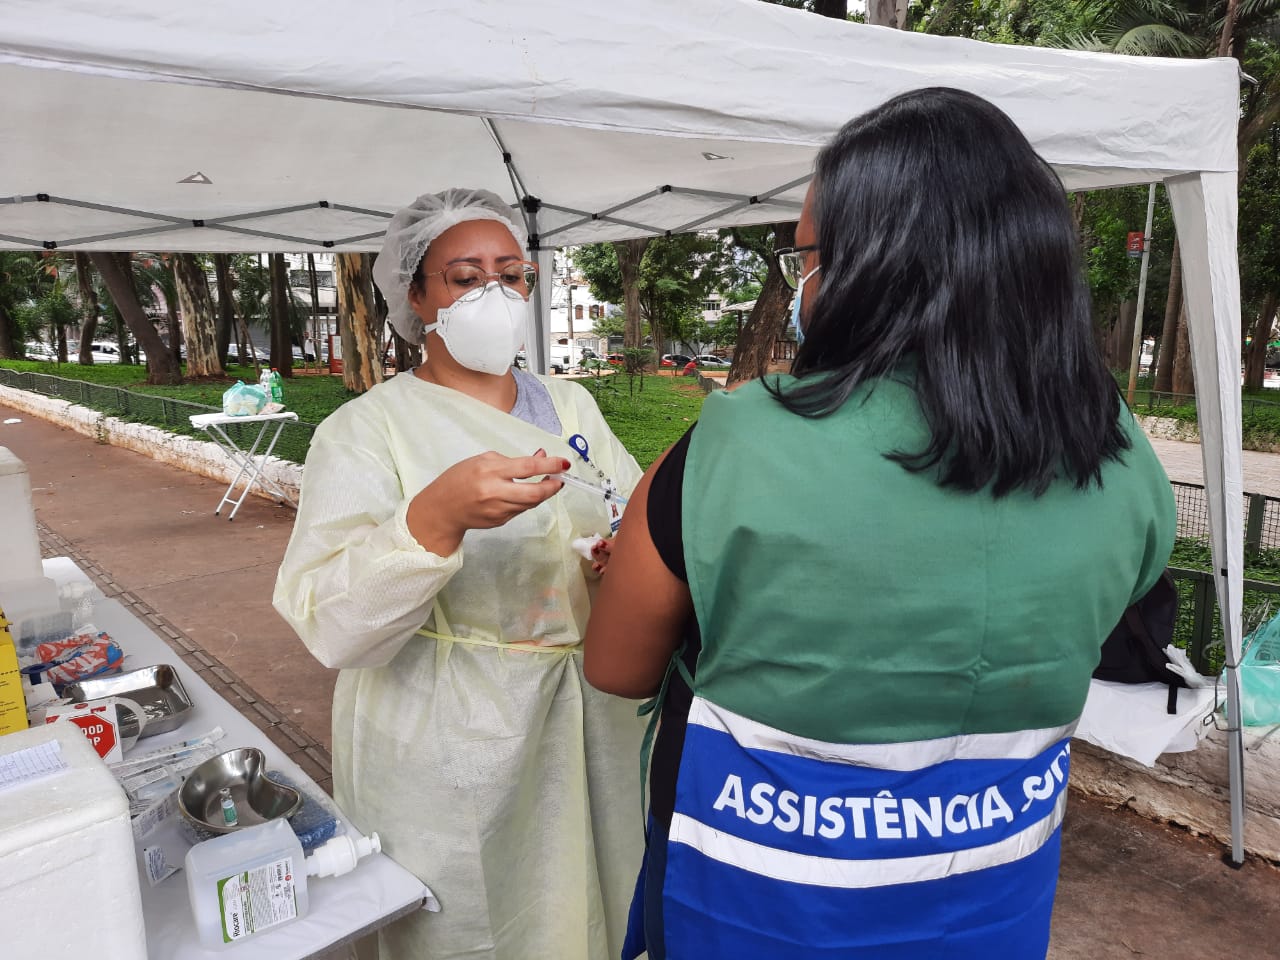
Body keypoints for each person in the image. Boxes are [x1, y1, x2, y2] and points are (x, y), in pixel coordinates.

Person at [583, 88, 1176, 960]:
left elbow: (617, 666)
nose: (801, 288)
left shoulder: (731, 445)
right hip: (988, 904)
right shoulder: (1122, 457)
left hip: (760, 907)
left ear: (874, 266)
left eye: (806, 260)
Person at [273, 188, 645, 960]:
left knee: (598, 908)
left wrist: (620, 558)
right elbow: (333, 624)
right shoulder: (366, 430)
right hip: (455, 742)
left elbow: (625, 513)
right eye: (465, 277)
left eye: (511, 276)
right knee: (481, 922)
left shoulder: (574, 407)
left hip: (591, 721)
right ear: (417, 296)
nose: (494, 296)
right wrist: (431, 520)